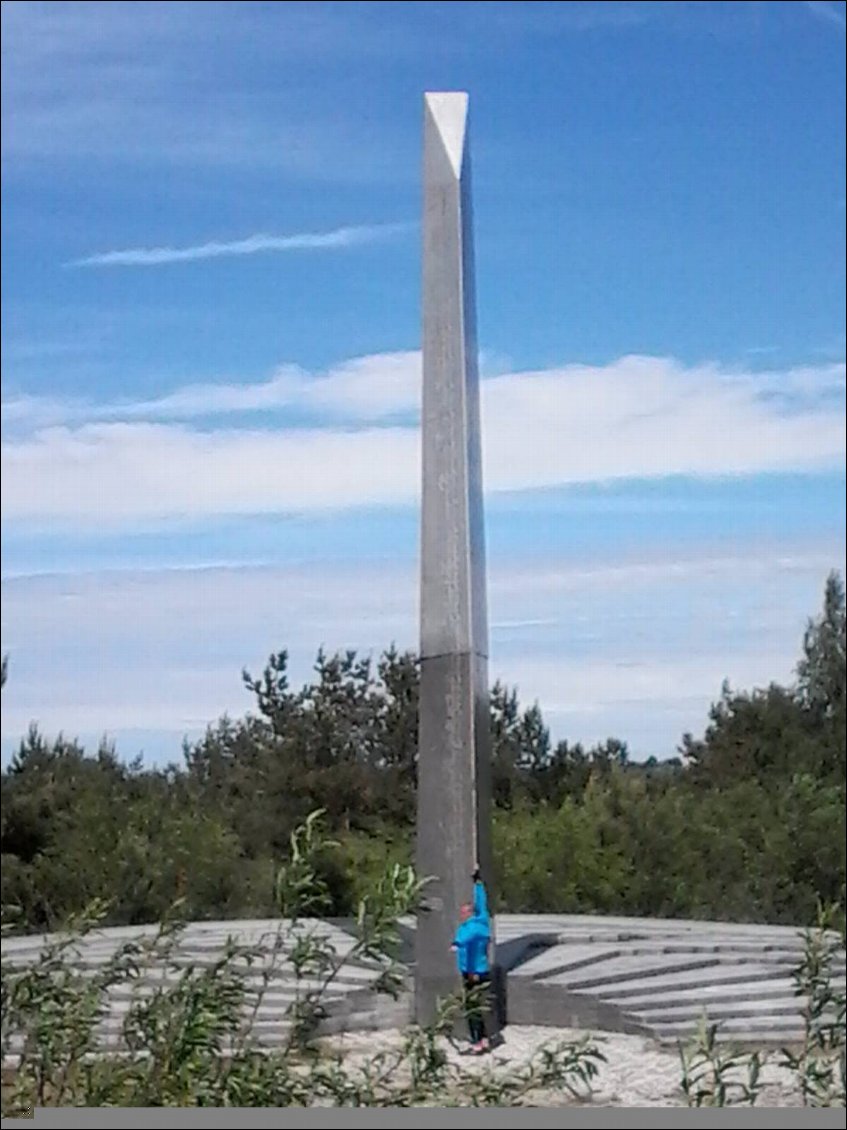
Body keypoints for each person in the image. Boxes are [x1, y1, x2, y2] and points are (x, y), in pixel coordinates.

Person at [451, 866, 492, 1054]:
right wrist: (478, 883)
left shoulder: (473, 928)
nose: (461, 914)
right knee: (478, 1007)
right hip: (481, 970)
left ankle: (476, 1043)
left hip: (473, 972)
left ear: (469, 913)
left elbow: (467, 936)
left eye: (464, 912)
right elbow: (482, 902)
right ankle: (483, 1039)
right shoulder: (482, 919)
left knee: (472, 1009)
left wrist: (456, 943)